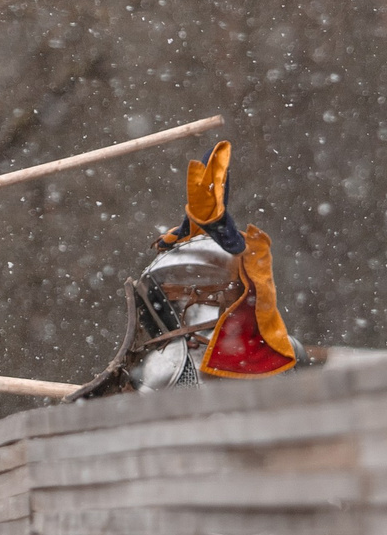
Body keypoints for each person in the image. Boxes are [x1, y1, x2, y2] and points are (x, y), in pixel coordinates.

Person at [77, 141, 304, 396]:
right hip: (183, 356)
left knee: (289, 355)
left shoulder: (239, 256)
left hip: (227, 350)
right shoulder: (163, 365)